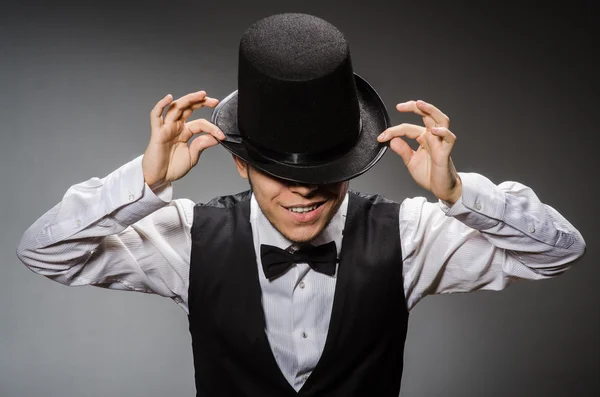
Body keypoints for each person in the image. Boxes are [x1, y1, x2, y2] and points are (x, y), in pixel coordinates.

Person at [16, 12, 585, 397]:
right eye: (279, 172)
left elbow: (557, 253)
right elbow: (44, 253)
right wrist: (143, 182)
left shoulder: (410, 235)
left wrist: (459, 194)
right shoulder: (187, 238)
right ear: (240, 162)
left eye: (326, 171)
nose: (305, 189)